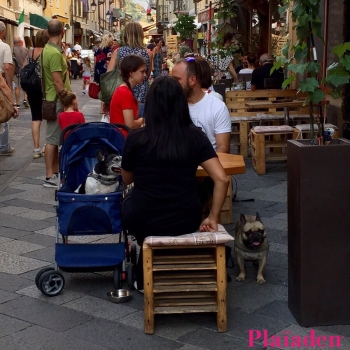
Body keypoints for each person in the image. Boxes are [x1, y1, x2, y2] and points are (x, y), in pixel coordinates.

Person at [121, 76, 229, 291]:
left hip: (144, 218)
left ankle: (145, 273)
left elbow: (127, 179)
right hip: (185, 218)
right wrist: (213, 216)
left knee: (127, 202)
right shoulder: (195, 136)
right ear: (181, 104)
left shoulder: (136, 139)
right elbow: (222, 178)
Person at [172, 58, 231, 153]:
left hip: (209, 164)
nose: (172, 84)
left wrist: (208, 166)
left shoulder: (217, 106)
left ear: (192, 80)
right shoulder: (171, 105)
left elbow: (223, 148)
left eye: (176, 80)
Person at [41, 19, 71, 188]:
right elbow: (57, 81)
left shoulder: (49, 50)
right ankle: (49, 176)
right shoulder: (53, 53)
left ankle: (55, 172)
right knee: (52, 139)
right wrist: (67, 100)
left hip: (52, 98)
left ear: (47, 32)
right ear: (62, 32)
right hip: (56, 100)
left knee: (55, 137)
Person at [108, 22, 152, 117]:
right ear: (141, 35)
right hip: (142, 96)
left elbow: (109, 76)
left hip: (122, 94)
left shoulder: (118, 52)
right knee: (141, 128)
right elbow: (147, 74)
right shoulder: (148, 53)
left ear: (126, 35)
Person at [22, 29, 49, 159]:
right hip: (44, 88)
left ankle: (36, 148)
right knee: (50, 116)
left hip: (32, 88)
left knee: (36, 117)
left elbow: (24, 68)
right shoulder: (46, 52)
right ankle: (48, 145)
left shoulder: (30, 52)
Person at [109, 54, 145, 135]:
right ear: (131, 73)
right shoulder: (125, 92)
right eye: (142, 72)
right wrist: (143, 120)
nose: (145, 75)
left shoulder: (124, 90)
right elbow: (130, 124)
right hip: (123, 139)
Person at [0, 21, 15, 156]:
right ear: (2, 32)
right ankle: (4, 145)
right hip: (1, 81)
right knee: (3, 111)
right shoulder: (4, 47)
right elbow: (7, 67)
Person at [94, 34, 113, 114]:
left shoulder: (98, 49)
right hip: (105, 72)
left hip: (98, 71)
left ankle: (102, 108)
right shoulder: (109, 50)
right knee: (106, 91)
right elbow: (108, 62)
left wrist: (95, 71)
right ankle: (103, 108)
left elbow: (95, 61)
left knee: (102, 90)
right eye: (112, 40)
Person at [13, 36, 29, 108]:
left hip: (17, 71)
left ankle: (17, 103)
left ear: (14, 42)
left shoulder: (12, 50)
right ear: (20, 42)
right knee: (25, 86)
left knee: (17, 87)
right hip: (26, 71)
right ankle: (25, 99)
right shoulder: (26, 50)